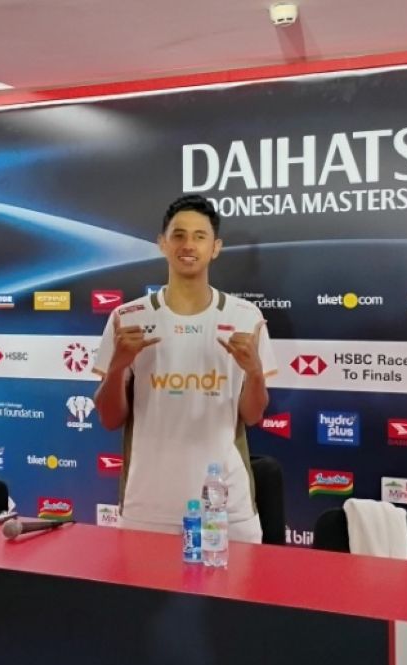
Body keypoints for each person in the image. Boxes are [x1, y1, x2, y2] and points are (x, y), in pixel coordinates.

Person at [92, 195, 277, 542]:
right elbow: (109, 418)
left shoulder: (245, 317)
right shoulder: (127, 318)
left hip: (226, 507)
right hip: (147, 508)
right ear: (162, 244)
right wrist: (117, 368)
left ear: (215, 247)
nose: (188, 245)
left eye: (199, 236)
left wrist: (254, 373)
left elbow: (253, 415)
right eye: (178, 235)